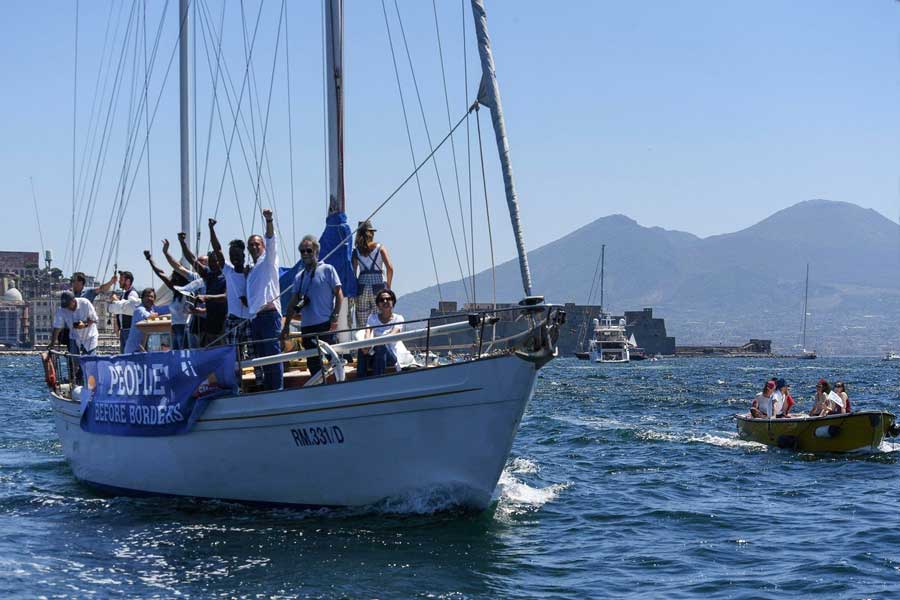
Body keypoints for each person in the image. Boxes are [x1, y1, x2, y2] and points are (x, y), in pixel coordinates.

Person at [282, 234, 343, 378]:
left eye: (308, 250)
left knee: (334, 359)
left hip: (325, 325)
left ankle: (339, 384)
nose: (305, 254)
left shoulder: (328, 269)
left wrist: (335, 317)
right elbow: (292, 302)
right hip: (307, 327)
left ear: (316, 251)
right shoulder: (299, 277)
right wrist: (286, 326)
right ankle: (319, 387)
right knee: (313, 363)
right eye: (302, 251)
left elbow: (339, 294)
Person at [246, 208, 283, 390]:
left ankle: (277, 390)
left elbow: (271, 238)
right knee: (262, 358)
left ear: (263, 247)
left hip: (269, 316)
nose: (254, 247)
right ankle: (269, 389)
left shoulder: (269, 259)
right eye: (251, 245)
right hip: (256, 319)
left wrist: (269, 220)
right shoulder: (251, 269)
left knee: (273, 357)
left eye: (257, 244)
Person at [208, 218, 251, 352]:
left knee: (253, 353)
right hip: (233, 320)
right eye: (232, 255)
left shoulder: (252, 271)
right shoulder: (228, 271)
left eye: (237, 254)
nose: (234, 258)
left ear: (244, 255)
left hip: (250, 320)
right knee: (233, 355)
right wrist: (211, 229)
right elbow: (217, 249)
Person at [176, 232, 227, 346]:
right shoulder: (208, 274)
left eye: (216, 261)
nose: (213, 264)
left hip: (223, 324)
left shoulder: (227, 276)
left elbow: (225, 297)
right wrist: (182, 242)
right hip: (209, 324)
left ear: (221, 261)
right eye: (211, 262)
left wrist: (206, 297)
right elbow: (192, 260)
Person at [356, 288, 416, 377]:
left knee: (381, 346)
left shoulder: (398, 318)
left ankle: (377, 379)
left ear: (393, 301)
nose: (385, 301)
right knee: (361, 348)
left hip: (391, 356)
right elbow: (367, 333)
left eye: (388, 299)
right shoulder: (372, 317)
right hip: (375, 353)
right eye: (381, 300)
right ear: (378, 304)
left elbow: (392, 336)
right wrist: (366, 346)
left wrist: (374, 343)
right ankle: (360, 379)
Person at [144, 250, 193, 350]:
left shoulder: (188, 293)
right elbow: (161, 274)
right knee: (175, 355)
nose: (172, 278)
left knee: (183, 354)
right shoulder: (176, 292)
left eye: (175, 276)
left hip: (184, 328)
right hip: (174, 328)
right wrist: (150, 259)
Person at [352, 220, 394, 330]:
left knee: (362, 323)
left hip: (362, 285)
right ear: (371, 233)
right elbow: (390, 268)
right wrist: (388, 286)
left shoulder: (356, 251)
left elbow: (353, 273)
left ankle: (363, 339)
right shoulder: (380, 248)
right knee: (380, 318)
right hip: (378, 284)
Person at [118, 288, 170, 354]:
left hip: (141, 350)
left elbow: (167, 309)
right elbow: (150, 316)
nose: (149, 298)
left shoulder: (152, 309)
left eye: (151, 297)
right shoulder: (139, 310)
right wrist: (155, 314)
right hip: (132, 351)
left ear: (154, 300)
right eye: (147, 296)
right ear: (142, 298)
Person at [48, 291, 99, 355]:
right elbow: (57, 328)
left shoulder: (85, 303)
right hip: (74, 337)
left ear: (73, 301)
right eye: (65, 306)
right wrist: (52, 343)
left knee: (88, 359)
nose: (67, 308)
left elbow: (95, 320)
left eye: (68, 305)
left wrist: (84, 325)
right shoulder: (61, 310)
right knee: (73, 358)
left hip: (89, 337)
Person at [108, 271, 140, 352]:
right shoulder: (124, 294)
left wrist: (116, 300)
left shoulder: (132, 294)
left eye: (121, 280)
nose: (119, 281)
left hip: (129, 330)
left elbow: (130, 308)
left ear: (128, 281)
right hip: (124, 330)